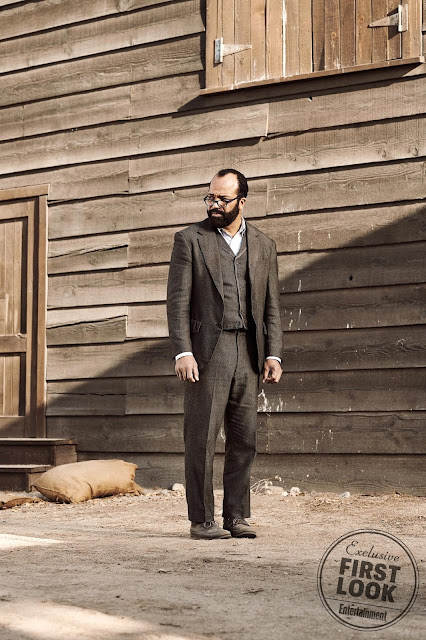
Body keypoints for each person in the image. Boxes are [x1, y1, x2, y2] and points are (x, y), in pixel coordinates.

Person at [167, 168, 282, 540]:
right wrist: (183, 352)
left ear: (241, 202)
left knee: (244, 439)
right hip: (207, 353)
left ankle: (237, 516)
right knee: (201, 437)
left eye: (222, 198)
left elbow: (271, 307)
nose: (214, 204)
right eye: (210, 197)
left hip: (249, 351)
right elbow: (177, 302)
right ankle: (202, 520)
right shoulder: (190, 240)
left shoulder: (264, 245)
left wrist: (274, 354)